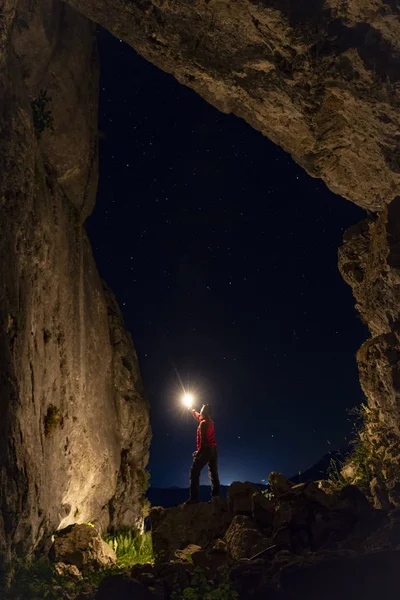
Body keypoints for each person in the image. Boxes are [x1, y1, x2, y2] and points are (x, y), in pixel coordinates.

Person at [186, 403, 220, 503]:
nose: (200, 410)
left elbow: (204, 441)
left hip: (206, 450)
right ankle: (216, 497)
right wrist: (191, 409)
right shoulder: (209, 422)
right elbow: (198, 416)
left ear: (204, 412)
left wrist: (199, 453)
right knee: (214, 474)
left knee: (194, 472)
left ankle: (194, 498)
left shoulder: (203, 424)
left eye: (201, 409)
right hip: (214, 450)